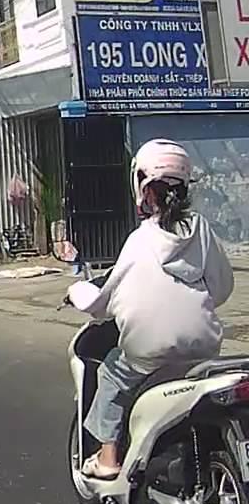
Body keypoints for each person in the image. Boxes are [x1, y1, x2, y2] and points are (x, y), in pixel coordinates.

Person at [71, 139, 234, 480]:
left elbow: (106, 303)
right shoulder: (202, 230)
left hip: (148, 357)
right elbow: (221, 288)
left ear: (143, 190)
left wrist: (78, 294)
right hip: (203, 349)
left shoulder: (139, 240)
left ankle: (107, 458)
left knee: (110, 374)